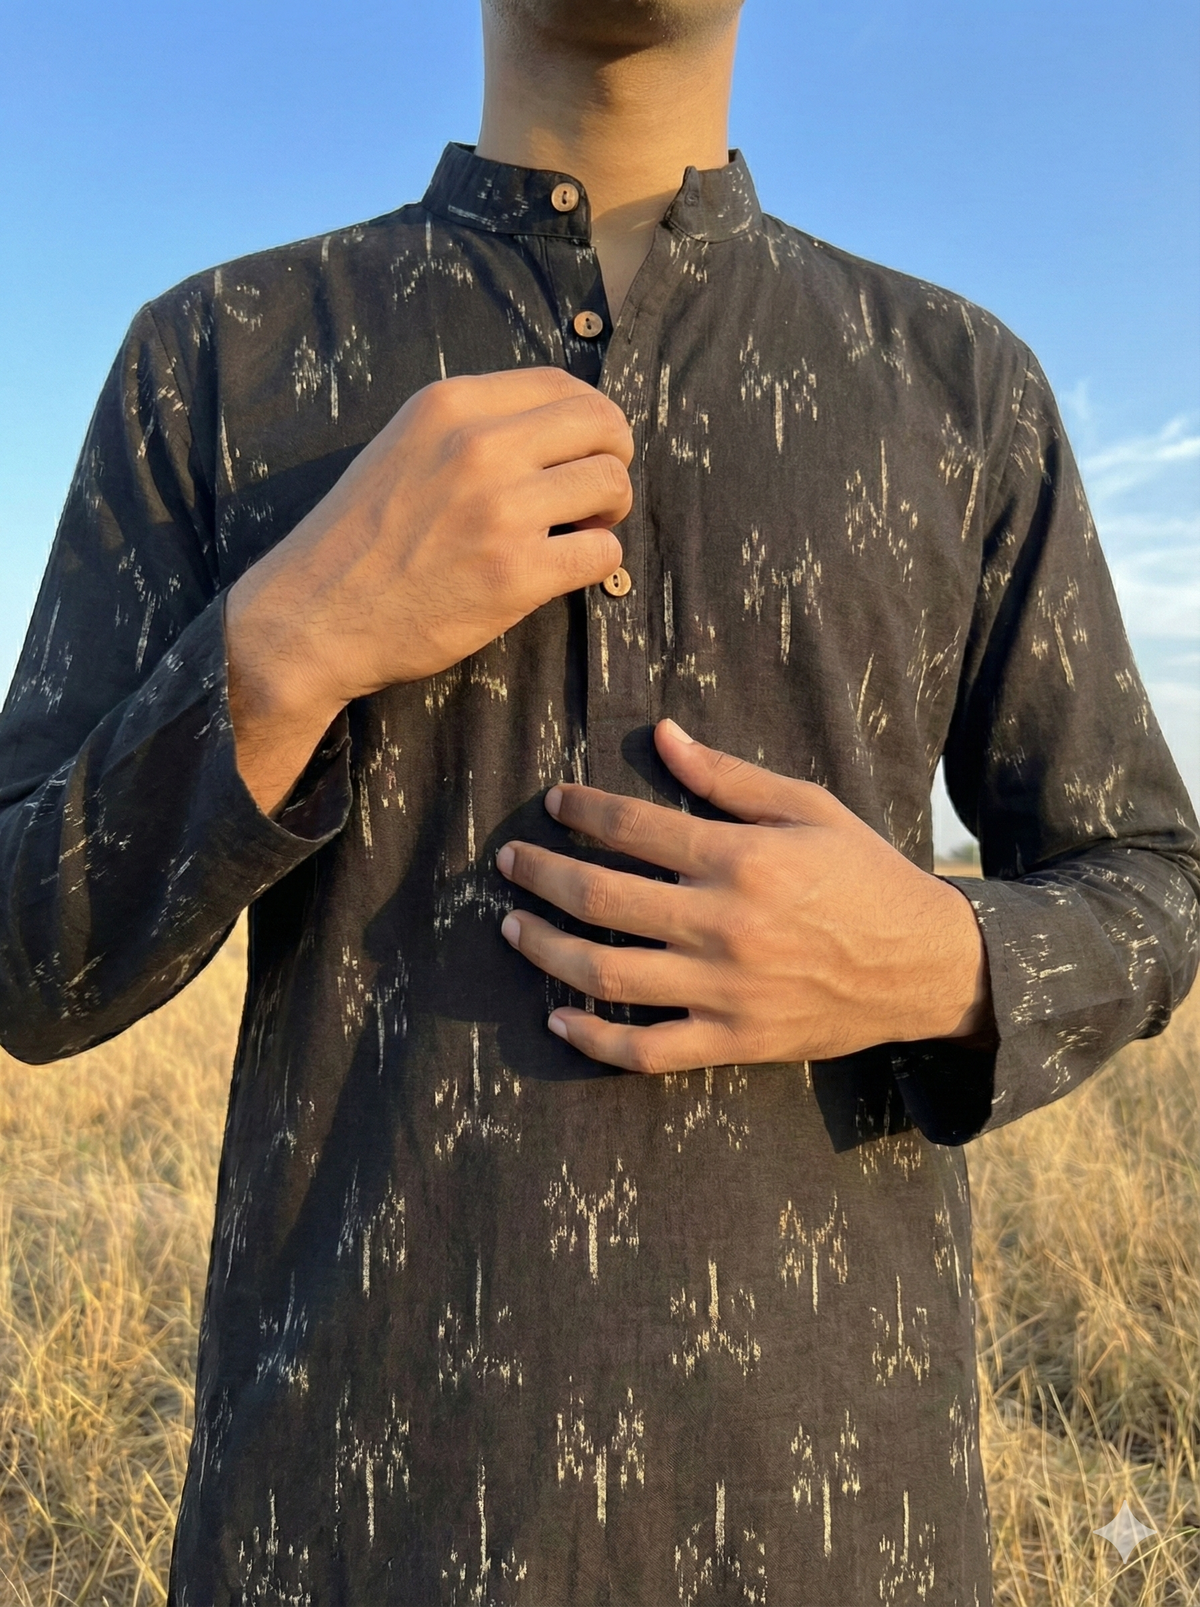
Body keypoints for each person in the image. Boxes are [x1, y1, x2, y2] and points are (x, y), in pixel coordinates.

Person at [0, 0, 1196, 1600]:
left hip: (848, 1534)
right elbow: (28, 956)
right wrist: (285, 645)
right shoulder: (220, 357)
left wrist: (941, 956)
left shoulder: (962, 388)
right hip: (339, 1536)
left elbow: (1154, 876)